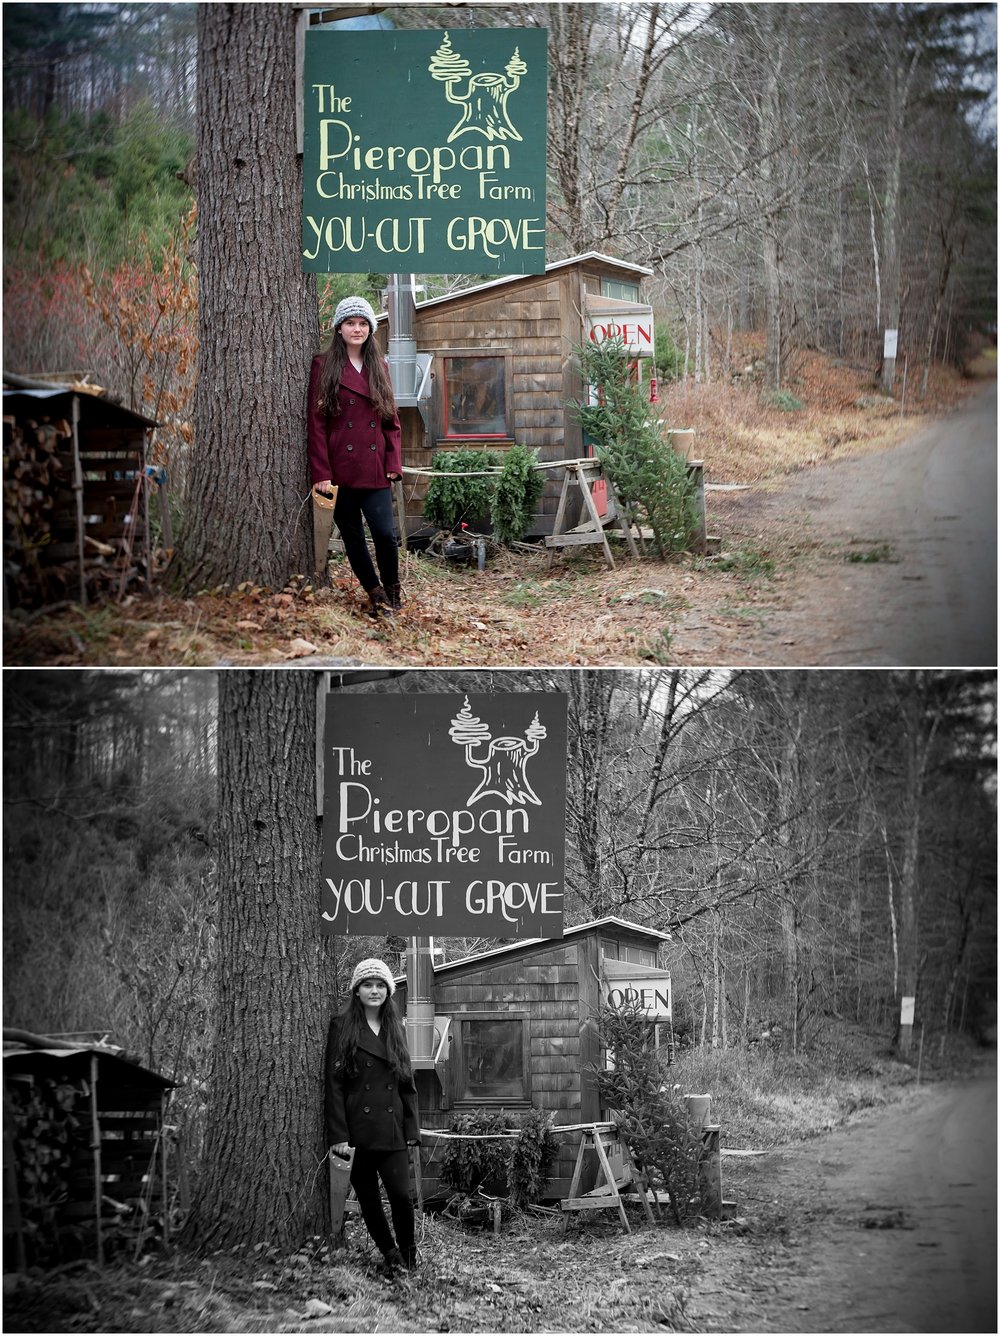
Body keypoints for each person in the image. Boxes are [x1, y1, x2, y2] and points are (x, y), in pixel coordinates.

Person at [308, 296, 404, 618]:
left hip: (376, 468)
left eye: (363, 323)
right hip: (339, 468)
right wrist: (321, 472)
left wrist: (393, 463)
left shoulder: (380, 366)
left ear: (370, 329)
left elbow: (392, 421)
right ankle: (375, 595)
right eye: (351, 323)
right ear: (339, 328)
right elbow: (317, 423)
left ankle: (393, 591)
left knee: (386, 535)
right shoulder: (324, 366)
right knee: (353, 538)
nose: (357, 329)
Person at [325, 958, 421, 1275]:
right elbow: (335, 1084)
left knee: (401, 1197)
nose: (375, 990)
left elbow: (407, 1082)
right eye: (368, 984)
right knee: (368, 1198)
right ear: (357, 990)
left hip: (392, 1128)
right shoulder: (341, 1027)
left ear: (388, 991)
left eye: (381, 985)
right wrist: (338, 1135)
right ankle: (390, 1255)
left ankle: (409, 1259)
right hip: (357, 1129)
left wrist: (412, 1128)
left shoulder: (397, 1027)